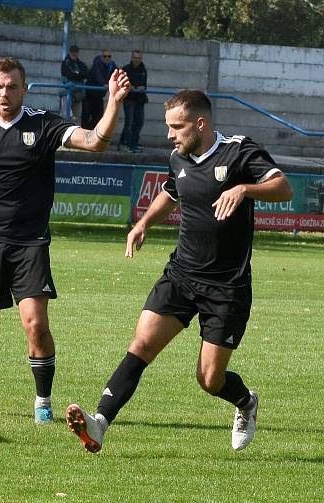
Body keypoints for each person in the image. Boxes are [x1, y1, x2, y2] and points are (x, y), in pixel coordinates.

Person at [65, 89, 293, 453]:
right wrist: (143, 224)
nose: (170, 135)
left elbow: (283, 188)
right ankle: (100, 422)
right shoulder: (178, 157)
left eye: (177, 127)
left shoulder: (239, 150)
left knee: (209, 379)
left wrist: (244, 189)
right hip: (182, 275)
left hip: (227, 287)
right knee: (141, 346)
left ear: (200, 123)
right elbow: (171, 193)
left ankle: (246, 403)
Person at [0, 57, 131, 424]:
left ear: (24, 88)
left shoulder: (43, 124)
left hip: (29, 243)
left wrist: (113, 101)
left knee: (35, 324)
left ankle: (42, 403)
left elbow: (95, 142)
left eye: (12, 86)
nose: (5, 93)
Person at [120, 50, 148, 152]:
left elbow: (144, 84)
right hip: (129, 99)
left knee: (139, 122)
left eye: (139, 58)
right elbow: (123, 83)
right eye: (135, 58)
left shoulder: (143, 69)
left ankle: (134, 142)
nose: (137, 60)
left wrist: (139, 87)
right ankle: (127, 144)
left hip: (140, 98)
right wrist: (131, 86)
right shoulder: (126, 69)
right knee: (129, 122)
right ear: (132, 58)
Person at [82, 49, 117, 130]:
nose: (107, 58)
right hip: (89, 96)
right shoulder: (97, 64)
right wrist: (104, 84)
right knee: (85, 119)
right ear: (101, 57)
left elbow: (117, 73)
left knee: (98, 119)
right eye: (105, 56)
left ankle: (92, 136)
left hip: (99, 96)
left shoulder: (112, 65)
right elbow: (98, 76)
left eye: (109, 56)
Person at [60, 45, 88, 125]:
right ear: (69, 52)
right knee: (65, 115)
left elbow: (86, 74)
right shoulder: (65, 63)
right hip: (68, 92)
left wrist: (75, 74)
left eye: (76, 51)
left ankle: (76, 135)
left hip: (78, 92)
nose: (74, 53)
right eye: (72, 52)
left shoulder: (81, 64)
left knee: (77, 117)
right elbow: (65, 76)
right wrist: (78, 75)